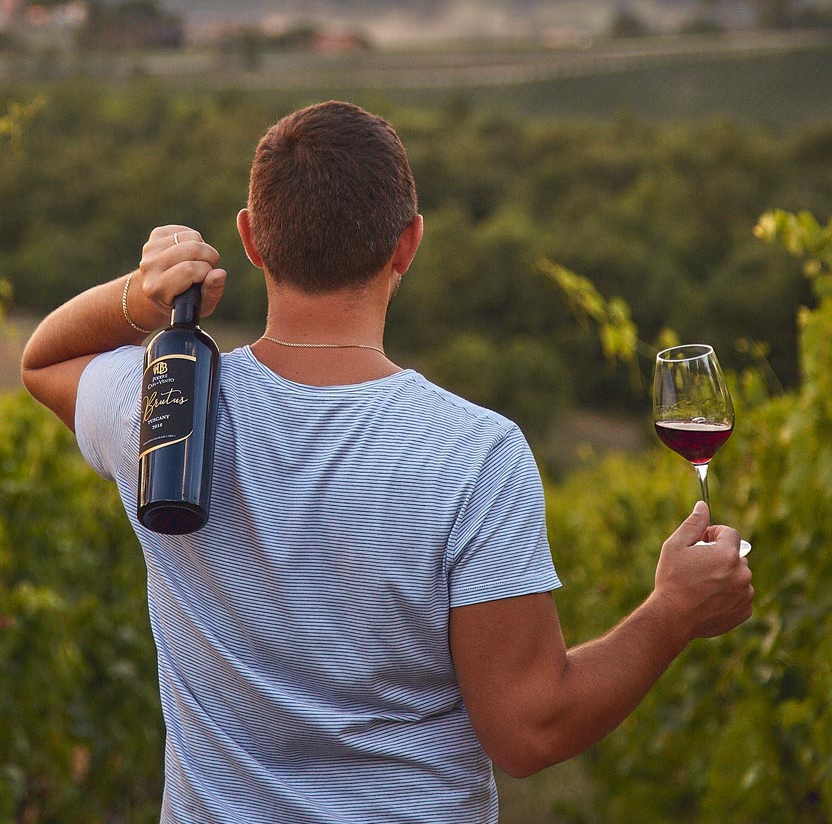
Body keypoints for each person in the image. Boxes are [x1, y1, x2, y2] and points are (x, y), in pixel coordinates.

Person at [21, 99, 753, 824]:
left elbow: (47, 357)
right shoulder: (474, 454)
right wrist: (673, 612)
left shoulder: (166, 412)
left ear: (250, 240)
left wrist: (142, 296)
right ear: (408, 243)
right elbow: (530, 730)